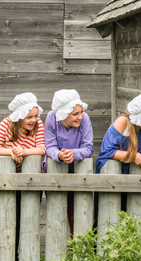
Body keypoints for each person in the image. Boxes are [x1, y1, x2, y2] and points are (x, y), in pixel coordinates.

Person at [44, 89, 94, 233]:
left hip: (77, 170)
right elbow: (50, 145)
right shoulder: (52, 118)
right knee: (57, 209)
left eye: (81, 112)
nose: (80, 116)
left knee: (75, 211)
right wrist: (59, 155)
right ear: (63, 114)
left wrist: (74, 153)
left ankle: (75, 246)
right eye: (75, 114)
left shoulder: (85, 120)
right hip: (56, 170)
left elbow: (89, 148)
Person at [0, 92, 46, 172]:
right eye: (29, 117)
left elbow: (42, 149)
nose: (33, 120)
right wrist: (12, 152)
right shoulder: (6, 124)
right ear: (20, 117)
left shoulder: (38, 123)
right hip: (7, 171)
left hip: (31, 171)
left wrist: (24, 151)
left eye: (36, 116)